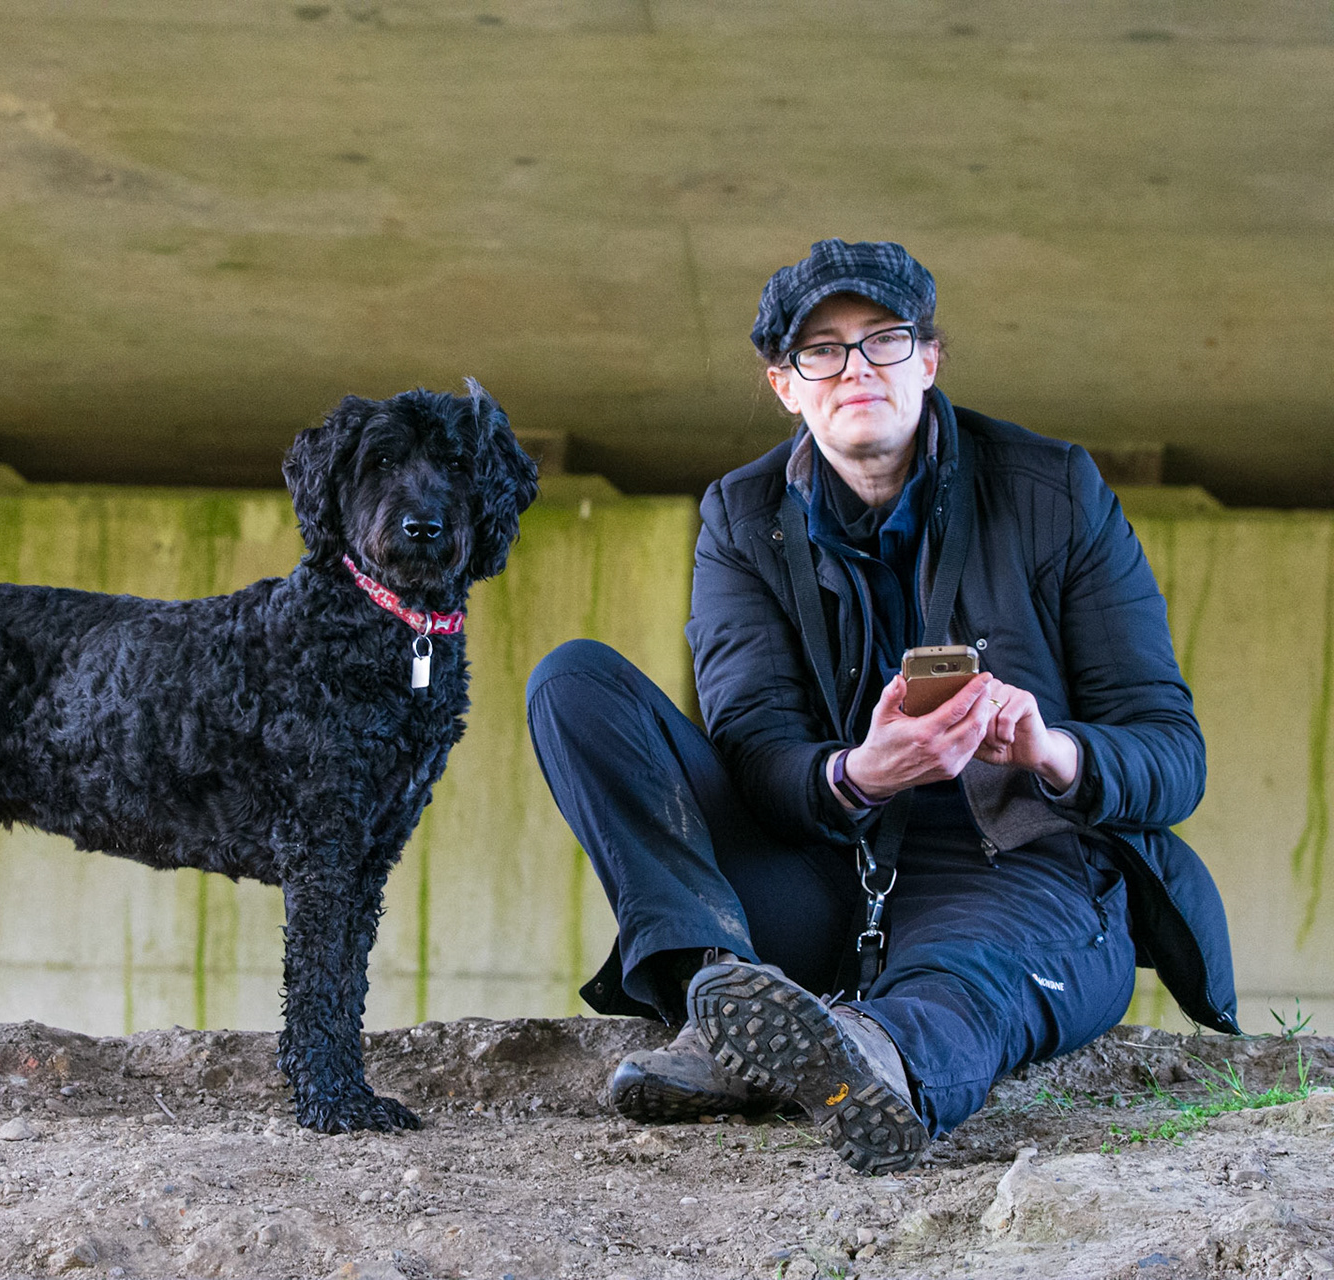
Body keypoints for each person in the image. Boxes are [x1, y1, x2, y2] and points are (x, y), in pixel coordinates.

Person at [525, 239, 1239, 1174]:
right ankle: (722, 998)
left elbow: (1171, 753)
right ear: (785, 383)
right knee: (573, 682)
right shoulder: (740, 518)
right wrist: (855, 775)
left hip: (1019, 869)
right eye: (821, 349)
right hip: (827, 867)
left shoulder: (1055, 490)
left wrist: (1052, 748)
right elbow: (754, 752)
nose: (855, 369)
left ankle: (873, 1057)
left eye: (883, 340)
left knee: (960, 980)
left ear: (929, 359)